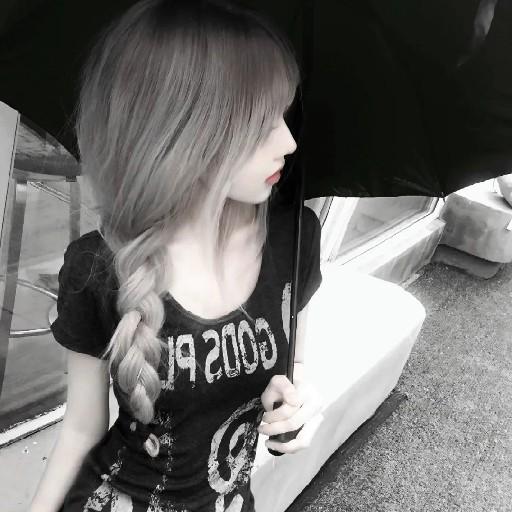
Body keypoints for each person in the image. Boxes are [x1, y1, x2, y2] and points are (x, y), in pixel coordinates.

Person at [29, 0, 324, 510]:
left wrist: (294, 411)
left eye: (284, 113)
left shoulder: (293, 237)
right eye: (261, 123)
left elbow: (293, 364)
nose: (289, 140)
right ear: (187, 132)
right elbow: (80, 430)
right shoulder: (99, 268)